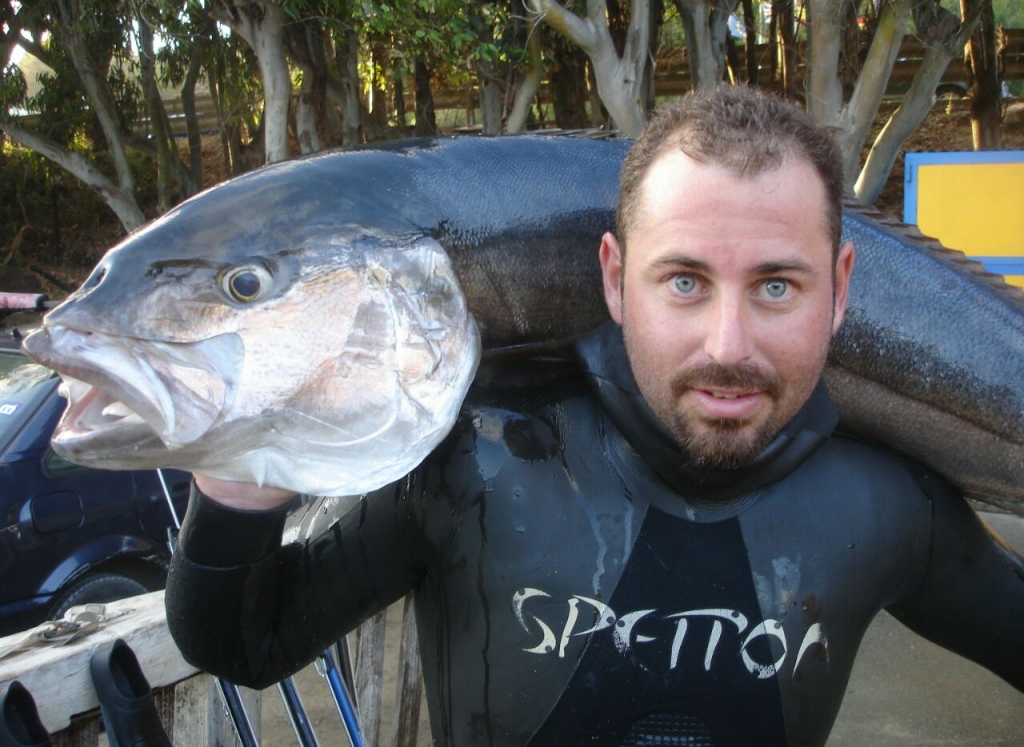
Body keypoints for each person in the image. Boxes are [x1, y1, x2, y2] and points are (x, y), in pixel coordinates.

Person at [164, 85, 1024, 746]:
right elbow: (248, 642)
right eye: (684, 281)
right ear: (614, 278)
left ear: (840, 290)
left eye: (776, 285)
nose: (729, 342)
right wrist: (239, 483)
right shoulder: (480, 459)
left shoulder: (888, 505)